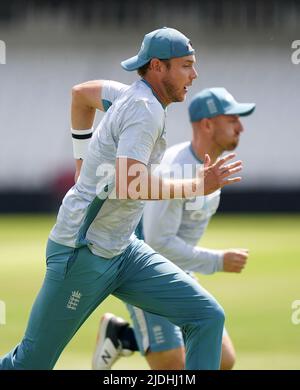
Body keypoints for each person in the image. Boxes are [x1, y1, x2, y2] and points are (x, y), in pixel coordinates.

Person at [0, 27, 243, 370]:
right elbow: (132, 184)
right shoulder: (145, 109)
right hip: (83, 253)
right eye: (186, 65)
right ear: (158, 67)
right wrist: (195, 185)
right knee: (30, 363)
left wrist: (81, 159)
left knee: (206, 316)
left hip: (123, 249)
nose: (195, 74)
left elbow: (81, 94)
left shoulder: (129, 94)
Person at [92, 87, 255, 371]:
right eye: (232, 120)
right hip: (145, 269)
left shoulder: (211, 167)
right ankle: (131, 337)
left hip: (176, 267)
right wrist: (217, 261)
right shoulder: (177, 169)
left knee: (221, 359)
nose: (241, 127)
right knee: (174, 367)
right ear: (207, 124)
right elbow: (157, 242)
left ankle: (124, 337)